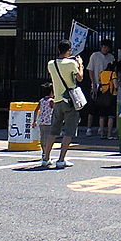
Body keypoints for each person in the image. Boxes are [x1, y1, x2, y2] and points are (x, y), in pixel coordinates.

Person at [45, 40, 82, 168]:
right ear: (69, 50)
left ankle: (46, 158)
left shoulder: (51, 63)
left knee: (53, 130)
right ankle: (61, 159)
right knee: (68, 131)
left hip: (57, 100)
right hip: (70, 101)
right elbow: (80, 78)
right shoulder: (72, 63)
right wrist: (80, 65)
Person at [85, 40, 116, 137]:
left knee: (104, 107)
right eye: (104, 47)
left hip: (107, 86)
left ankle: (101, 129)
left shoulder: (111, 57)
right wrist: (93, 83)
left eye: (107, 47)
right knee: (92, 107)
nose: (105, 49)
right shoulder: (95, 55)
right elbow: (90, 69)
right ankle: (89, 128)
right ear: (101, 47)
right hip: (97, 84)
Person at [34, 83, 57, 169]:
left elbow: (36, 110)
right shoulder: (52, 101)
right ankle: (47, 155)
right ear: (51, 92)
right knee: (48, 139)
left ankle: (44, 153)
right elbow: (55, 110)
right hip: (49, 122)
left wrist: (34, 120)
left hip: (41, 122)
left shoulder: (41, 100)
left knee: (42, 138)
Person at [94, 61, 119, 140]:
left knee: (102, 116)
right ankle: (109, 134)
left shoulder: (102, 73)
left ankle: (101, 134)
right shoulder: (113, 74)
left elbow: (99, 83)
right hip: (111, 96)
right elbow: (115, 85)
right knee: (110, 116)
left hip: (102, 96)